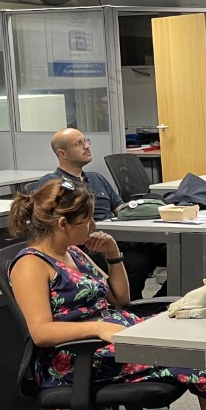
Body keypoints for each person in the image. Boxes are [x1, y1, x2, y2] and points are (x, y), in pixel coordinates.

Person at [7, 179, 206, 410]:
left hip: (110, 338)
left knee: (201, 339)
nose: (93, 226)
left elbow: (119, 297)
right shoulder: (30, 265)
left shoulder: (74, 252)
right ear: (62, 224)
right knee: (199, 360)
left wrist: (113, 253)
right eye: (87, 220)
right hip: (75, 357)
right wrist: (98, 327)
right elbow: (41, 332)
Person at [35, 128, 166, 299]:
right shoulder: (53, 184)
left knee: (174, 251)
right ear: (62, 153)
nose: (86, 146)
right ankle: (130, 305)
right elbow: (51, 225)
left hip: (119, 238)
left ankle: (162, 302)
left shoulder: (96, 178)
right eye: (79, 143)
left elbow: (120, 209)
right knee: (139, 262)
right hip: (87, 245)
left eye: (86, 141)